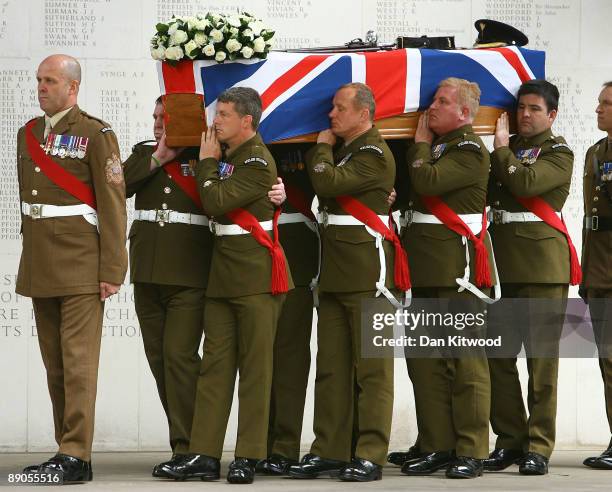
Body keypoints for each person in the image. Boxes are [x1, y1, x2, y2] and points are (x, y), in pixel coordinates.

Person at [160, 87, 293, 485]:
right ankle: (203, 453)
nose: (215, 121)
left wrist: (205, 163)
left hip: (254, 278)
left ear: (247, 122)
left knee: (255, 369)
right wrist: (212, 162)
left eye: (223, 115)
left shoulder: (255, 160)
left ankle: (249, 455)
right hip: (224, 276)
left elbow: (215, 202)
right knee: (214, 369)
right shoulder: (232, 157)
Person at [287, 82, 408, 482]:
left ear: (364, 113)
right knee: (332, 369)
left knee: (373, 372)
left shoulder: (373, 152)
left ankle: (371, 452)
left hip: (368, 276)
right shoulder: (349, 151)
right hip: (337, 273)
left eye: (340, 109)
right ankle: (330, 449)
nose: (331, 115)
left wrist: (320, 148)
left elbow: (327, 184)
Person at [17, 54, 128, 482]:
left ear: (72, 88)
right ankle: (66, 450)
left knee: (79, 363)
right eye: (39, 80)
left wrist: (113, 268)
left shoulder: (95, 133)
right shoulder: (28, 134)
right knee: (55, 365)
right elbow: (28, 204)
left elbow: (113, 205)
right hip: (42, 262)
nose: (42, 87)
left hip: (83, 264)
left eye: (50, 80)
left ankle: (76, 453)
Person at [398, 77, 495, 479]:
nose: (431, 107)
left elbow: (428, 181)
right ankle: (437, 444)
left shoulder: (471, 148)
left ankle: (470, 449)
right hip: (423, 266)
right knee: (425, 362)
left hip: (458, 272)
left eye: (441, 101)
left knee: (466, 362)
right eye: (433, 99)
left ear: (465, 113)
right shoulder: (439, 146)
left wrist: (418, 145)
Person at [484, 79, 577, 475]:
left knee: (542, 363)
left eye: (535, 108)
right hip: (502, 266)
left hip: (541, 268)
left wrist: (501, 149)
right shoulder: (508, 151)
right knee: (498, 358)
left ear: (551, 115)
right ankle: (509, 440)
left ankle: (539, 445)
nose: (525, 114)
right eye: (521, 107)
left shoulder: (559, 153)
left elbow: (525, 183)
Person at [257, 143, 319, 475]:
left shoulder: (309, 141)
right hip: (249, 250)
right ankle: (257, 444)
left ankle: (283, 447)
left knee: (289, 356)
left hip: (295, 250)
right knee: (256, 357)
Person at [581, 81, 612, 469]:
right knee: (607, 361)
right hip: (601, 270)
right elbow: (593, 222)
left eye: (606, 103)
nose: (598, 109)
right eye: (599, 102)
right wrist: (587, 275)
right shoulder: (595, 153)